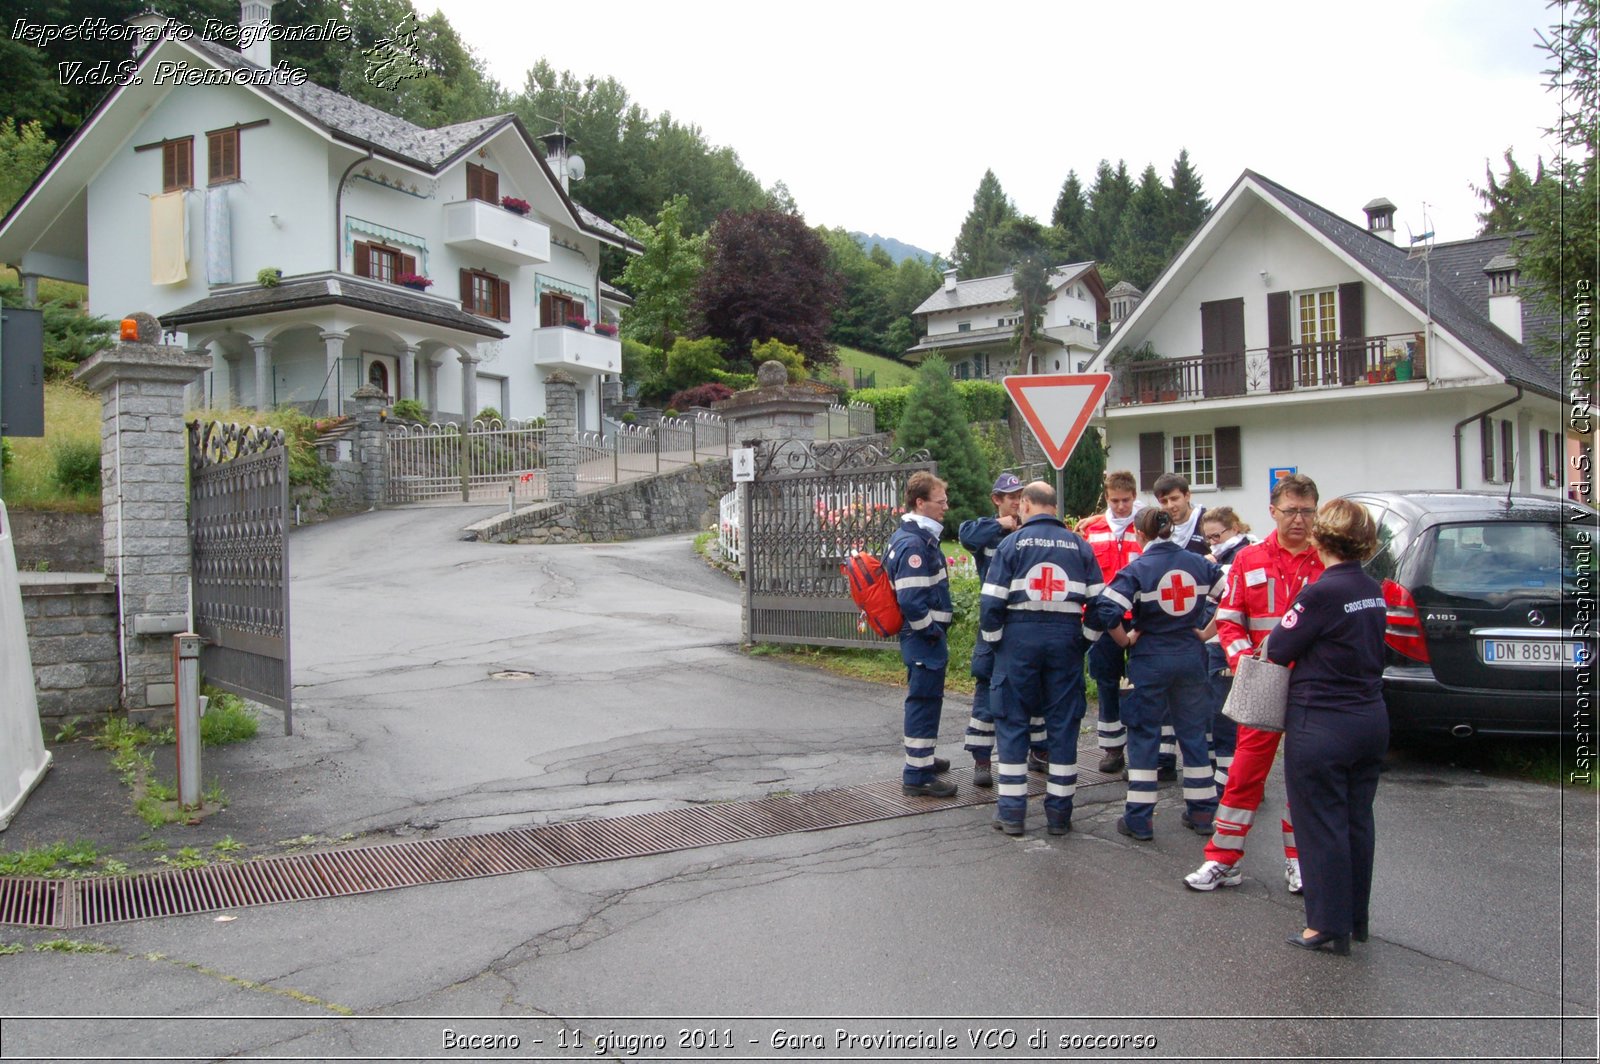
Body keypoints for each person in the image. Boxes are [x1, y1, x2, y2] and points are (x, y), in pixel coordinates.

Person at [1185, 474, 1324, 892]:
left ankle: (1301, 861)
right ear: (1272, 512)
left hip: (1312, 682)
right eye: (1290, 511)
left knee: (1305, 773)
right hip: (1262, 679)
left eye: (1306, 511)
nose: (1298, 520)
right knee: (1245, 771)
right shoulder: (1250, 559)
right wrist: (1244, 660)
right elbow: (1229, 618)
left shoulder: (1327, 560)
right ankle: (1223, 860)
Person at [1269, 499, 1388, 954]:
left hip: (1322, 722)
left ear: (1319, 538)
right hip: (1369, 718)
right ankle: (1356, 918)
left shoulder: (1319, 591)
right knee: (1358, 820)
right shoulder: (1372, 588)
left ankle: (1324, 924)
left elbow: (1279, 647)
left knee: (1320, 825)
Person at [978, 481, 1103, 835]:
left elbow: (990, 602)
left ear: (1028, 505)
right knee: (1063, 727)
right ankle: (1060, 817)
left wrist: (995, 640)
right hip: (1065, 642)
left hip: (1018, 642)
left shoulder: (1012, 544)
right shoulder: (1080, 546)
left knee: (1012, 723)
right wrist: (1085, 641)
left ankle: (1013, 814)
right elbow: (1101, 605)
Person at [1092, 507, 1223, 841]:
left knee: (1145, 735)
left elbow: (1106, 610)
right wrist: (1206, 632)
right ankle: (1203, 812)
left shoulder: (1137, 569)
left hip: (1150, 659)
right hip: (1191, 657)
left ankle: (1139, 819)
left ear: (1140, 534)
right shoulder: (1199, 563)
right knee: (1193, 735)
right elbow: (1232, 595)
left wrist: (1126, 638)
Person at [960, 473, 1047, 788]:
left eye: (1020, 496)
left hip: (1026, 622)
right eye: (1010, 496)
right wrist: (1002, 525)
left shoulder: (1032, 531)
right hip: (994, 623)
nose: (1016, 501)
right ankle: (982, 760)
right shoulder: (986, 531)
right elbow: (965, 535)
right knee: (987, 687)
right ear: (997, 499)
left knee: (1036, 685)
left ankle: (1039, 751)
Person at [886, 470, 956, 798]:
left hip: (923, 639)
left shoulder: (914, 536)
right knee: (924, 701)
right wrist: (931, 631)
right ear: (920, 503)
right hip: (923, 639)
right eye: (940, 501)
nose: (946, 506)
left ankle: (923, 758)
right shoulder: (914, 543)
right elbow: (912, 600)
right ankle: (917, 774)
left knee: (927, 699)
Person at [1076, 470, 1144, 774]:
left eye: (1126, 500)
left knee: (1141, 683)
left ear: (1134, 496)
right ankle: (1112, 748)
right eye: (1115, 501)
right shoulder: (1093, 530)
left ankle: (1141, 749)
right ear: (1106, 498)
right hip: (1104, 619)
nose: (1120, 506)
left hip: (1139, 619)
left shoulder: (1144, 527)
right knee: (1106, 683)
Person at [1150, 473, 1210, 778]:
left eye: (1175, 498)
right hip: (1171, 622)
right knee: (1166, 693)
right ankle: (1165, 758)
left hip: (1202, 622)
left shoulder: (1208, 522)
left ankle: (1208, 762)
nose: (1171, 505)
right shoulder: (1163, 528)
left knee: (1198, 694)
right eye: (1164, 501)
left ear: (1188, 495)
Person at [1198, 507, 1259, 791]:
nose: (1213, 542)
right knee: (1221, 709)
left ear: (1234, 527)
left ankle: (1229, 780)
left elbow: (1225, 606)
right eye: (1208, 538)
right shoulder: (1242, 551)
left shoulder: (1238, 558)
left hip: (1226, 646)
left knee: (1224, 713)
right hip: (1231, 645)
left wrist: (1203, 633)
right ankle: (1234, 775)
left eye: (1216, 536)